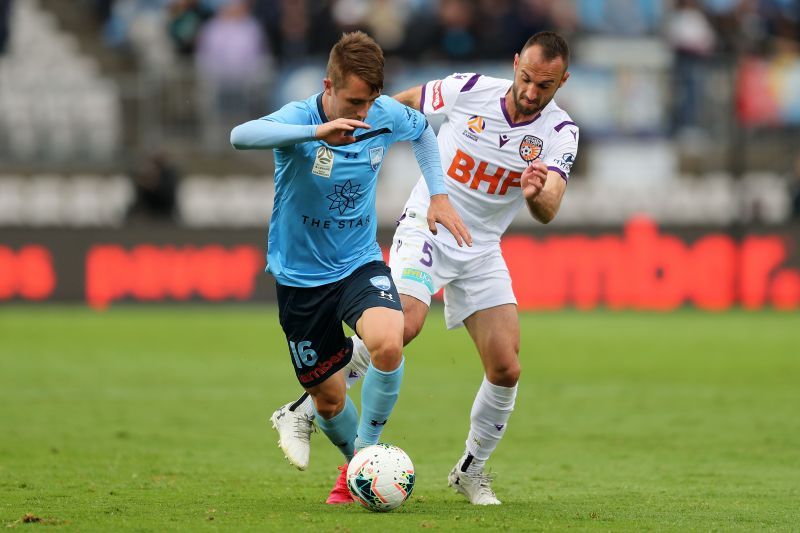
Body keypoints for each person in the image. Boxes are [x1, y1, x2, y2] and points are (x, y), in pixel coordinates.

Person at [272, 31, 578, 506]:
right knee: (404, 325)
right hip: (428, 226)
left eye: (545, 85)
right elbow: (410, 103)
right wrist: (363, 129)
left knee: (506, 366)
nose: (531, 92)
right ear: (515, 63)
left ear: (563, 81)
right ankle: (311, 413)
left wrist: (538, 195)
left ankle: (470, 471)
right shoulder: (471, 88)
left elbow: (550, 206)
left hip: (481, 248)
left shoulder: (560, 133)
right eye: (526, 78)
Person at [230, 31, 471, 504]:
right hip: (300, 279)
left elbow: (422, 131)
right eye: (353, 101)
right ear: (328, 86)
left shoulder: (381, 115)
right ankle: (352, 461)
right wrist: (315, 133)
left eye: (369, 102)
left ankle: (362, 459)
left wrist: (439, 194)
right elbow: (240, 136)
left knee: (388, 340)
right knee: (331, 400)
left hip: (358, 262)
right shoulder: (302, 117)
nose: (361, 113)